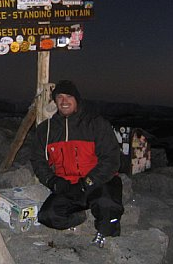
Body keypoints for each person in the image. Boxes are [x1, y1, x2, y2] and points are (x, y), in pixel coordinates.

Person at [30, 80, 124, 248]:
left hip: (97, 181)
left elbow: (111, 159)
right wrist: (52, 181)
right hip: (68, 185)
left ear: (77, 100)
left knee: (108, 206)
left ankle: (104, 233)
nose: (64, 101)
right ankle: (80, 217)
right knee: (47, 216)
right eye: (59, 97)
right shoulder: (46, 129)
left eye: (69, 97)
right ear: (55, 101)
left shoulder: (95, 124)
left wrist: (87, 182)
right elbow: (37, 160)